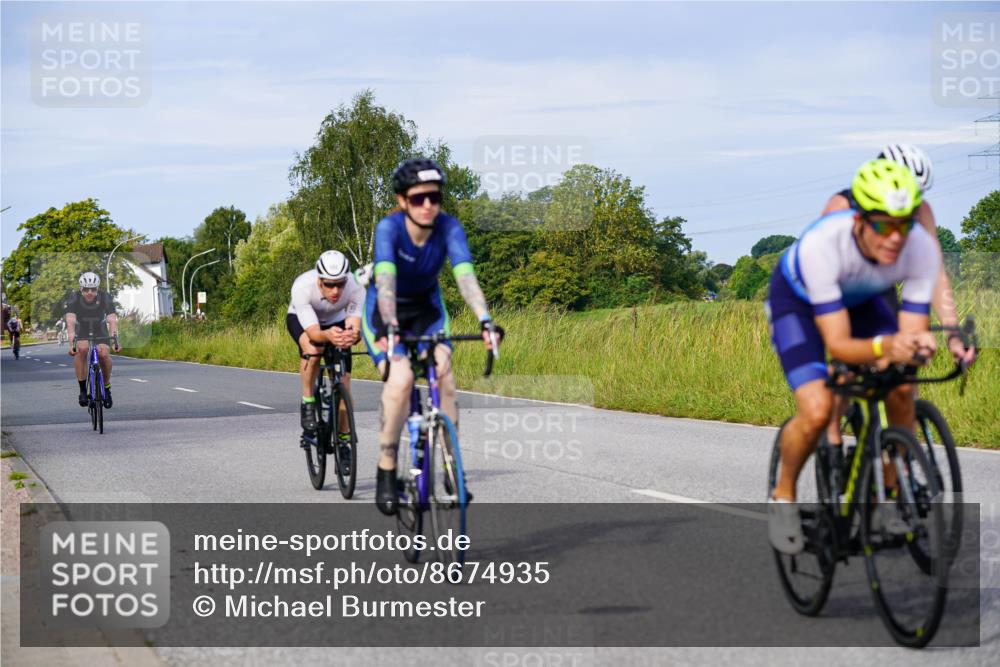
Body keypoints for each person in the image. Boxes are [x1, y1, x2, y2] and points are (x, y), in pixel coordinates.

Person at [765, 159, 940, 555]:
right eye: (882, 224)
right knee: (816, 408)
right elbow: (840, 344)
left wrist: (915, 345)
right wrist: (884, 347)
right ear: (858, 219)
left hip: (861, 302)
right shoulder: (823, 245)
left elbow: (911, 331)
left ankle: (889, 495)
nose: (895, 238)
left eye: (904, 223)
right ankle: (783, 496)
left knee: (900, 387)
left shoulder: (921, 248)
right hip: (799, 304)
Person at [818, 144, 978, 482]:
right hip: (841, 291)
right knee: (844, 376)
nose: (911, 204)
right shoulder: (842, 207)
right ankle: (829, 448)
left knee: (902, 385)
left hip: (882, 293)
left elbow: (935, 275)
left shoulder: (921, 212)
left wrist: (952, 334)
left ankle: (890, 490)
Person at [363, 157, 501, 515]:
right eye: (419, 198)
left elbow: (465, 276)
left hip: (427, 311)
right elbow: (387, 282)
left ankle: (454, 471)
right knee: (402, 378)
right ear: (402, 200)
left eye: (434, 198)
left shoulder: (449, 228)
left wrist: (485, 320)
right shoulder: (388, 229)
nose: (428, 206)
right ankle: (387, 467)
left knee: (444, 372)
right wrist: (389, 328)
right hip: (385, 310)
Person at [287, 250, 364, 467]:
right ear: (319, 279)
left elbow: (354, 324)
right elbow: (313, 333)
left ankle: (344, 440)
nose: (335, 290)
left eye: (340, 284)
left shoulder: (356, 286)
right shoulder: (302, 287)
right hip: (303, 319)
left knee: (344, 386)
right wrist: (327, 336)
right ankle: (308, 401)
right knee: (314, 350)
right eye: (329, 284)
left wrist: (352, 335)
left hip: (336, 320)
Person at [65, 272, 120, 409]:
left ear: (97, 289)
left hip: (99, 328)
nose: (89, 292)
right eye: (86, 289)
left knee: (104, 355)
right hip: (82, 328)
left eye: (93, 289)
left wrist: (115, 339)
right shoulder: (74, 297)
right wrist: (71, 338)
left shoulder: (105, 297)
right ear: (81, 288)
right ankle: (83, 390)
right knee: (82, 349)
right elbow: (71, 318)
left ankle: (106, 389)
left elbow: (112, 318)